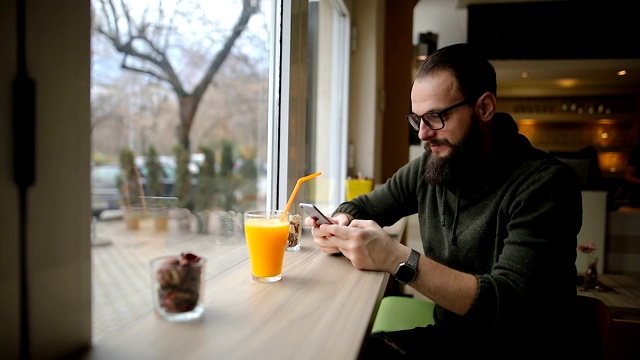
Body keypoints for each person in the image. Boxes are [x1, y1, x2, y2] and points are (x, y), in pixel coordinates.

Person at [305, 43, 583, 359]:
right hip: (448, 340)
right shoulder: (432, 167)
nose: (423, 134)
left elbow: (507, 305)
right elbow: (364, 206)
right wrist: (340, 219)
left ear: (484, 108)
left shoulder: (545, 184)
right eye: (417, 119)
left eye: (436, 117)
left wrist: (396, 257)